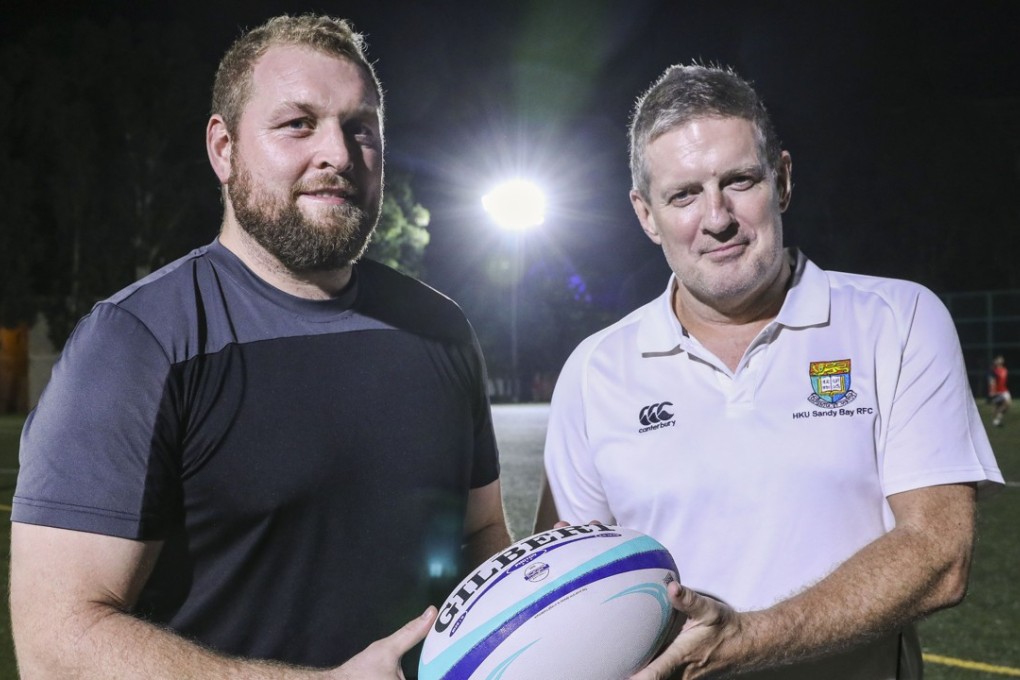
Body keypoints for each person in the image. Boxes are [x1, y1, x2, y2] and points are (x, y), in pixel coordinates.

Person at [10, 14, 510, 679]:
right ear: (224, 149)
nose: (336, 152)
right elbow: (55, 641)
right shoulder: (137, 342)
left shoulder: (441, 328)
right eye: (298, 124)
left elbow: (480, 537)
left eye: (361, 128)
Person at [537, 64, 1003, 679]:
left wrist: (746, 640)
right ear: (646, 214)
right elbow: (569, 592)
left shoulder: (898, 319)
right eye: (683, 195)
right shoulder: (594, 371)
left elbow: (939, 555)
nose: (717, 217)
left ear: (782, 180)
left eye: (739, 181)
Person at [989, 354, 1011, 426]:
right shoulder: (994, 371)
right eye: (999, 359)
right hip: (997, 391)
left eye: (1001, 359)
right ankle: (996, 420)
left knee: (1007, 404)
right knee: (999, 406)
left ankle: (996, 420)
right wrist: (992, 391)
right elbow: (992, 381)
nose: (1001, 359)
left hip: (1004, 390)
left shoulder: (1005, 370)